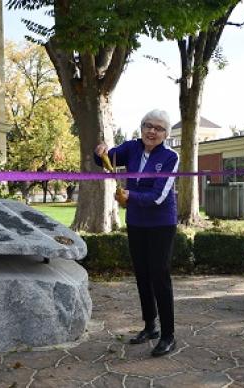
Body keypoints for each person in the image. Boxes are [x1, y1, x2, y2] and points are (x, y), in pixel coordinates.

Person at [94, 109, 179, 357]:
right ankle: (150, 326)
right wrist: (99, 151)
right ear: (141, 128)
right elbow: (104, 160)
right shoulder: (131, 148)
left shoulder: (170, 157)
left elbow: (160, 196)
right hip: (136, 222)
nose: (152, 131)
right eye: (147, 126)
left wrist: (131, 196)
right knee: (142, 274)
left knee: (159, 276)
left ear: (166, 134)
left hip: (161, 224)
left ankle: (168, 335)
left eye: (159, 128)